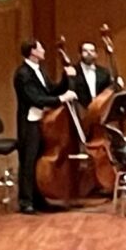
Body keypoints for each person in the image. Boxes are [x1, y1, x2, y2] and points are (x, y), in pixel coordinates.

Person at [13, 40, 77, 214]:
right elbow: (35, 99)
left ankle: (38, 199)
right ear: (32, 51)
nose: (43, 50)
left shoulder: (39, 70)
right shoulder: (22, 74)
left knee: (38, 161)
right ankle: (26, 202)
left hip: (41, 121)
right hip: (28, 123)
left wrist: (66, 77)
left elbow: (51, 90)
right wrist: (61, 99)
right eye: (40, 47)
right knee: (28, 162)